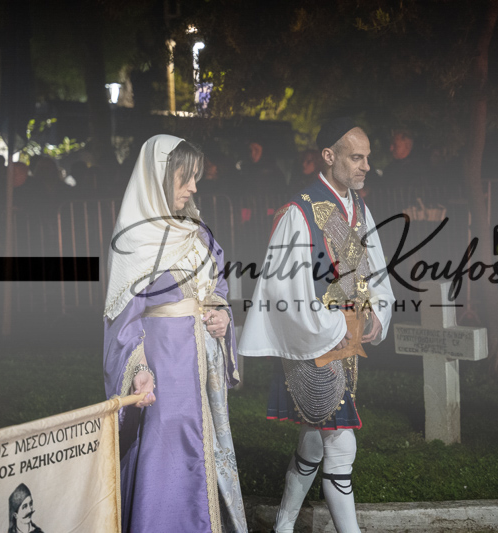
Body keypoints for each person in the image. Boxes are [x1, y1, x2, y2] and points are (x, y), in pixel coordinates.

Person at [239, 118, 395, 533]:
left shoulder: (359, 208)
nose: (366, 166)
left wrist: (375, 313)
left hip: (347, 343)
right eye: (356, 157)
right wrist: (334, 324)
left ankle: (283, 525)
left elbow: (374, 270)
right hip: (313, 341)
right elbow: (283, 288)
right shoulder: (298, 211)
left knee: (314, 441)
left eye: (367, 158)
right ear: (328, 156)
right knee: (341, 446)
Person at [103, 135, 247, 532]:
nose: (194, 187)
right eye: (185, 177)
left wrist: (221, 315)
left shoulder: (197, 232)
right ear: (158, 177)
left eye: (196, 177)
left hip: (203, 370)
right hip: (165, 369)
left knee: (206, 450)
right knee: (166, 451)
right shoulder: (135, 239)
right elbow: (122, 319)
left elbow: (217, 288)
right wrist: (138, 369)